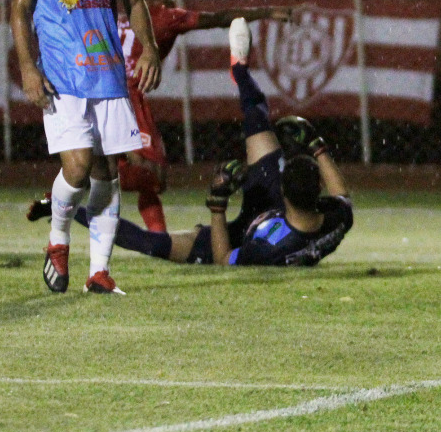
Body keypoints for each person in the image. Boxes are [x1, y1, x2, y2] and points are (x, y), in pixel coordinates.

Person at [28, 19, 353, 267]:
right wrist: (316, 144)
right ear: (318, 192)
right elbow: (343, 198)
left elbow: (226, 259)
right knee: (257, 120)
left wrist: (217, 206)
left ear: (286, 187)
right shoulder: (337, 217)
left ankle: (64, 209)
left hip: (239, 236)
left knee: (152, 244)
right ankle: (240, 70)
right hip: (275, 209)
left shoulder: (272, 248)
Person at [10, 0, 162, 296]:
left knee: (106, 174)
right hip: (61, 72)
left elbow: (133, 1)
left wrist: (149, 49)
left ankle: (100, 272)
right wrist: (27, 68)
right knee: (76, 167)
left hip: (109, 72)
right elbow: (19, 9)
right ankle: (58, 239)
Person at [114, 0, 298, 233]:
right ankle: (97, 176)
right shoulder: (165, 16)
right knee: (153, 176)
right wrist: (267, 12)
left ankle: (158, 235)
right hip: (129, 97)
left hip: (112, 92)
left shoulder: (122, 17)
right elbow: (220, 18)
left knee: (149, 176)